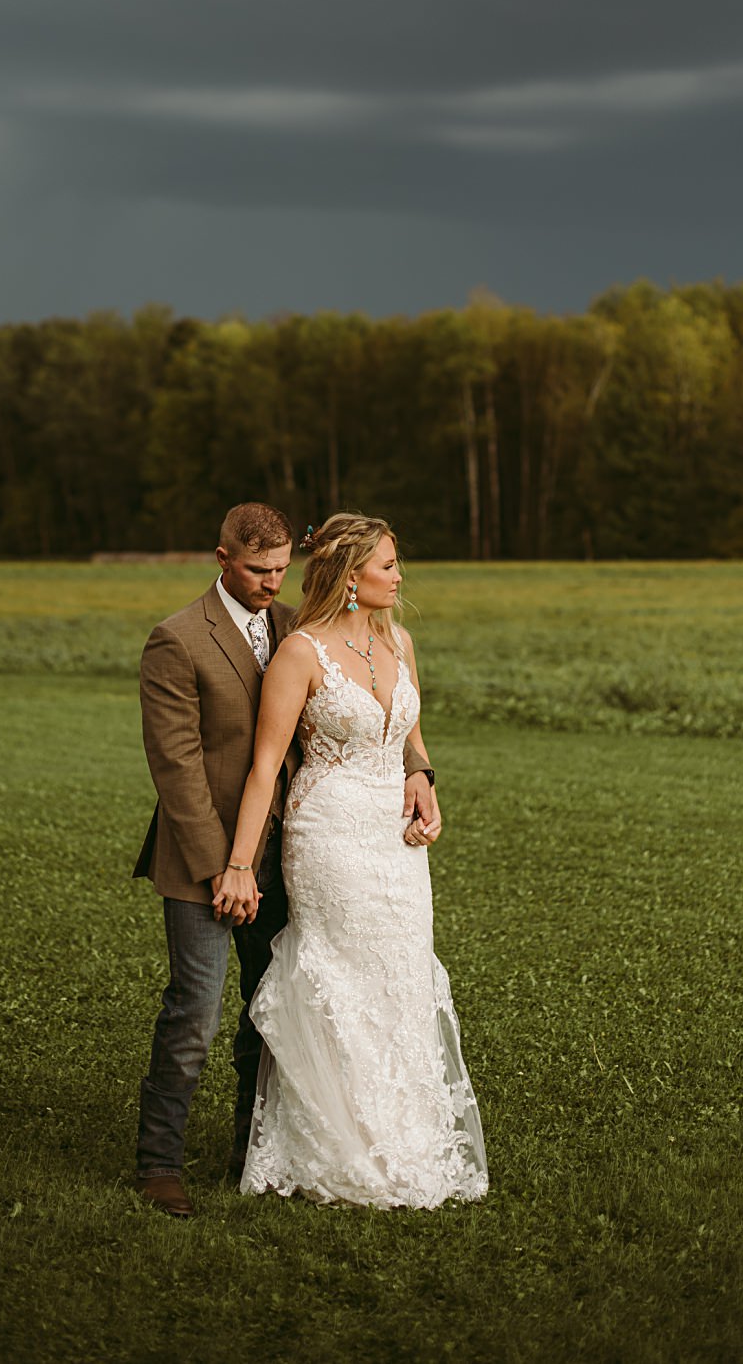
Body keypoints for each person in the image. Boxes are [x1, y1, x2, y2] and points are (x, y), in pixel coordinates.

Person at [131, 502, 438, 1217]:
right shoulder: (176, 641)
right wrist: (224, 867)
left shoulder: (301, 625)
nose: (274, 582)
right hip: (207, 855)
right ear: (222, 558)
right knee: (195, 1015)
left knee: (269, 1012)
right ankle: (158, 1163)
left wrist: (419, 771)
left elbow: (381, 708)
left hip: (296, 851)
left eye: (280, 569)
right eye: (258, 570)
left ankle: (253, 1146)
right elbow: (177, 770)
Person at [215, 512, 488, 1209]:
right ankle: (335, 1143)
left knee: (399, 973)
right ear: (351, 575)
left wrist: (423, 782)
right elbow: (265, 766)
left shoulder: (400, 639)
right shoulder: (302, 653)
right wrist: (241, 863)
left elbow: (411, 737)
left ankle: (406, 1139)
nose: (400, 578)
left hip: (394, 843)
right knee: (342, 976)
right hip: (329, 835)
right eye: (389, 565)